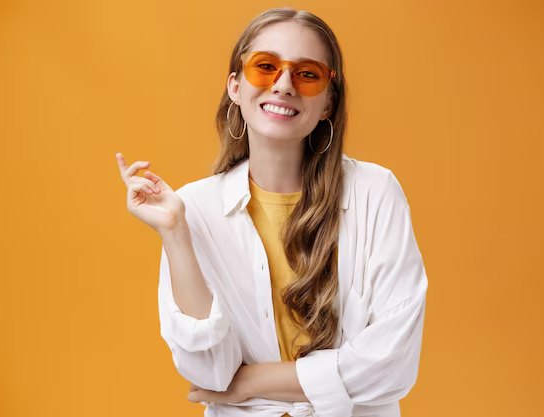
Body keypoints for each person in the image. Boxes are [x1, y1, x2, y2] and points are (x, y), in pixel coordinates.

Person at [116, 7, 428, 417]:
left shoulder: (376, 192)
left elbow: (393, 365)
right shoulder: (193, 208)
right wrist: (175, 232)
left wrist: (250, 382)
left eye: (307, 73)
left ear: (329, 102)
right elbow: (210, 372)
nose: (283, 86)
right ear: (235, 86)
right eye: (265, 67)